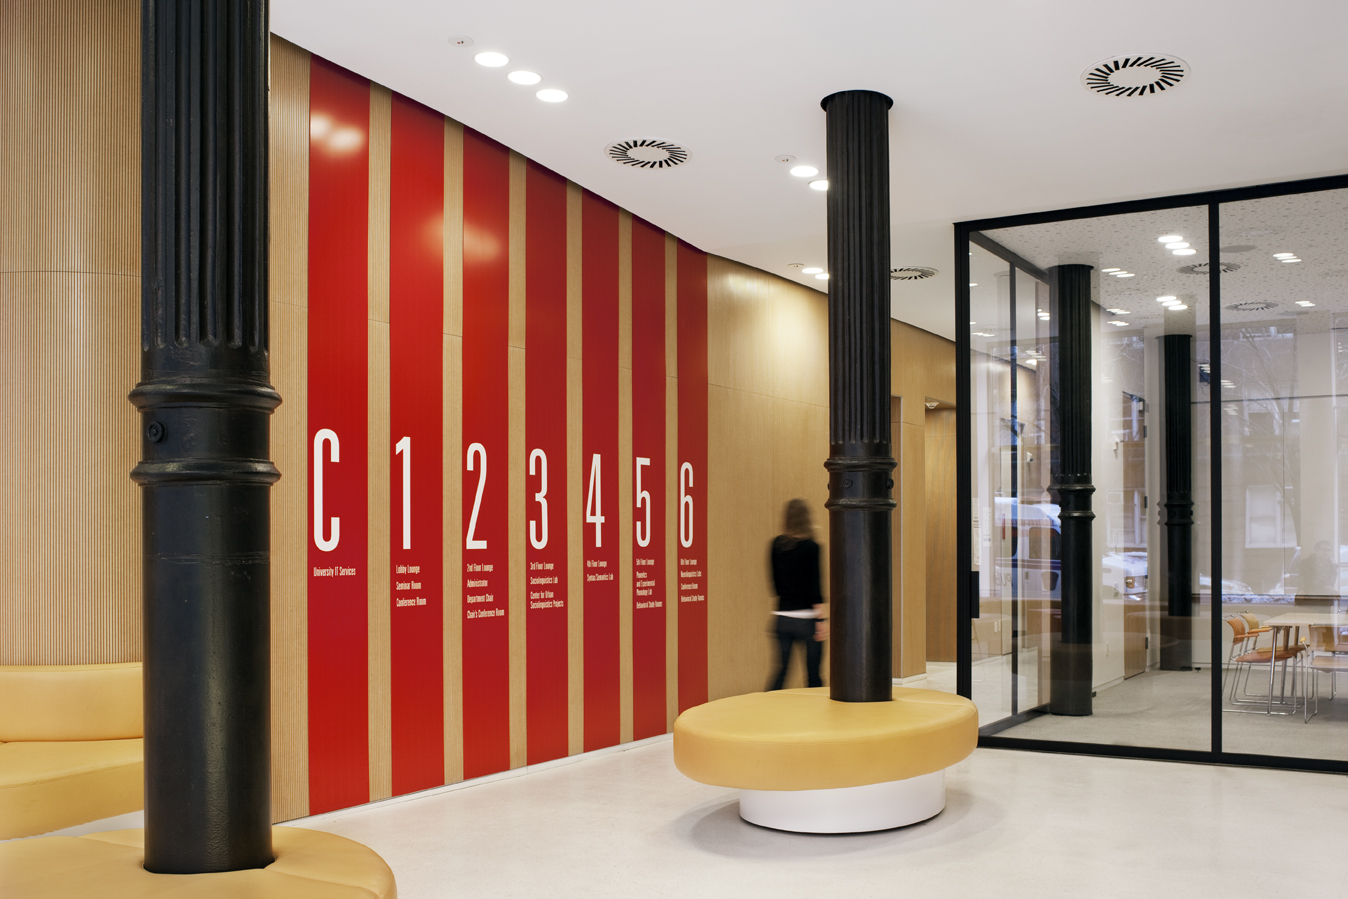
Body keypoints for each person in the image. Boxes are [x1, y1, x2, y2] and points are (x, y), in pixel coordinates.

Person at [767, 498, 827, 691]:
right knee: (813, 678)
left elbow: (775, 586)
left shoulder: (776, 545)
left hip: (782, 620)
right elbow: (814, 588)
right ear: (807, 519)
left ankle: (762, 713)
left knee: (781, 672)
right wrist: (821, 620)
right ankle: (819, 719)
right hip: (807, 621)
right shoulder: (812, 547)